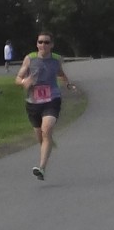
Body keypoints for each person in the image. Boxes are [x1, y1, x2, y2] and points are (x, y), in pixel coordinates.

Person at [15, 30, 75, 181]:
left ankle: (41, 168)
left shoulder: (56, 59)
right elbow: (18, 78)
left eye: (46, 42)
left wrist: (67, 84)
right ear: (37, 44)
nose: (43, 45)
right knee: (41, 136)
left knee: (46, 129)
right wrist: (24, 82)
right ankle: (47, 143)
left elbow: (60, 73)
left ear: (52, 45)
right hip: (33, 103)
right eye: (40, 42)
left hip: (52, 99)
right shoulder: (29, 59)